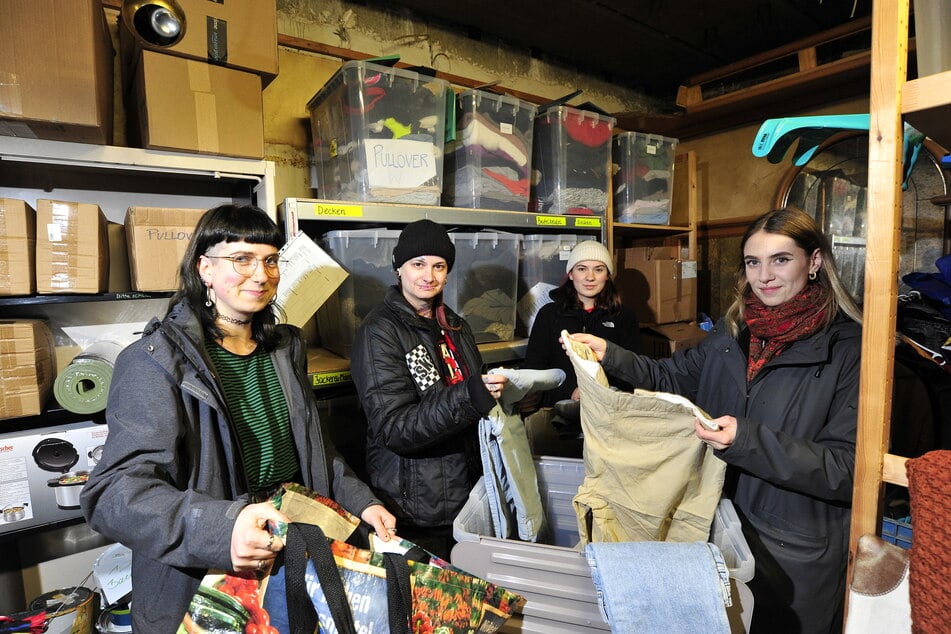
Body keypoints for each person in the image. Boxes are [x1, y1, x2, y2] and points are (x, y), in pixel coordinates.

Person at [81, 204, 396, 633]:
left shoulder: (285, 349)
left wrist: (364, 503)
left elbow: (316, 452)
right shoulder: (153, 362)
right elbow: (113, 493)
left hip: (292, 558)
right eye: (241, 259)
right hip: (204, 584)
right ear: (204, 269)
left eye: (270, 260)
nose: (261, 274)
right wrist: (223, 529)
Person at [568, 208, 863, 634]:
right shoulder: (733, 333)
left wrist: (746, 440)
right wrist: (609, 355)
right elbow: (669, 376)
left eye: (781, 259)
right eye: (752, 262)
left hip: (792, 546)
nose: (764, 276)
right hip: (721, 521)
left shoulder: (848, 350)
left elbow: (848, 468)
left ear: (814, 262)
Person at [349, 219, 506, 559]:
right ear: (399, 269)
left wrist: (509, 395)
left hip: (464, 497)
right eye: (417, 264)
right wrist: (471, 395)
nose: (428, 275)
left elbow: (469, 397)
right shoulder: (380, 332)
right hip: (414, 505)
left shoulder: (454, 325)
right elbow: (395, 427)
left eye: (439, 266)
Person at [520, 239, 640, 410]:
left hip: (609, 410)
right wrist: (569, 391)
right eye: (582, 269)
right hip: (558, 412)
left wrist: (599, 391)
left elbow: (634, 372)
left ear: (607, 275)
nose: (590, 277)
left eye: (598, 269)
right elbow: (535, 371)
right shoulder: (549, 314)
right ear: (570, 274)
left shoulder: (624, 317)